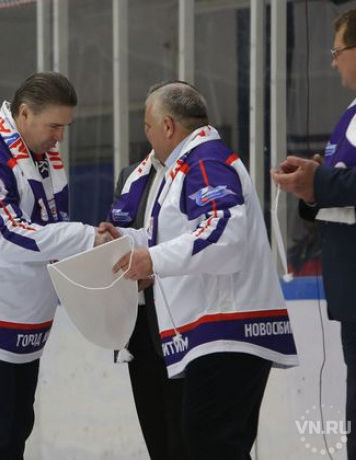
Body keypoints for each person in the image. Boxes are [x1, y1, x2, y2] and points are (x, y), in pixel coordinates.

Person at [103, 81, 299, 459]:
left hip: (227, 332)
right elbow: (174, 235)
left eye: (147, 126)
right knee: (204, 443)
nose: (146, 136)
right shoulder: (185, 166)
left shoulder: (205, 160)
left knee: (210, 444)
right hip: (212, 334)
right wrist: (126, 239)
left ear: (168, 126)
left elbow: (224, 236)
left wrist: (152, 259)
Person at [0, 71, 115, 460]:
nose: (59, 137)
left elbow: (49, 225)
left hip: (25, 320)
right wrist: (86, 237)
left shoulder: (42, 154)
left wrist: (94, 246)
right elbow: (7, 238)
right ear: (25, 113)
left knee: (16, 431)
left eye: (64, 127)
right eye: (53, 126)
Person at [272, 9, 356, 458]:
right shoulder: (350, 114)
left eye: (337, 51)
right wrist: (311, 183)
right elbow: (341, 182)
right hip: (348, 289)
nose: (333, 61)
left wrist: (319, 182)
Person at [108, 158, 187, 460]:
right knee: (158, 440)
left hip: (182, 325)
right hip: (139, 325)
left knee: (188, 441)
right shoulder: (132, 175)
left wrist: (153, 267)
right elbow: (116, 239)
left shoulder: (196, 169)